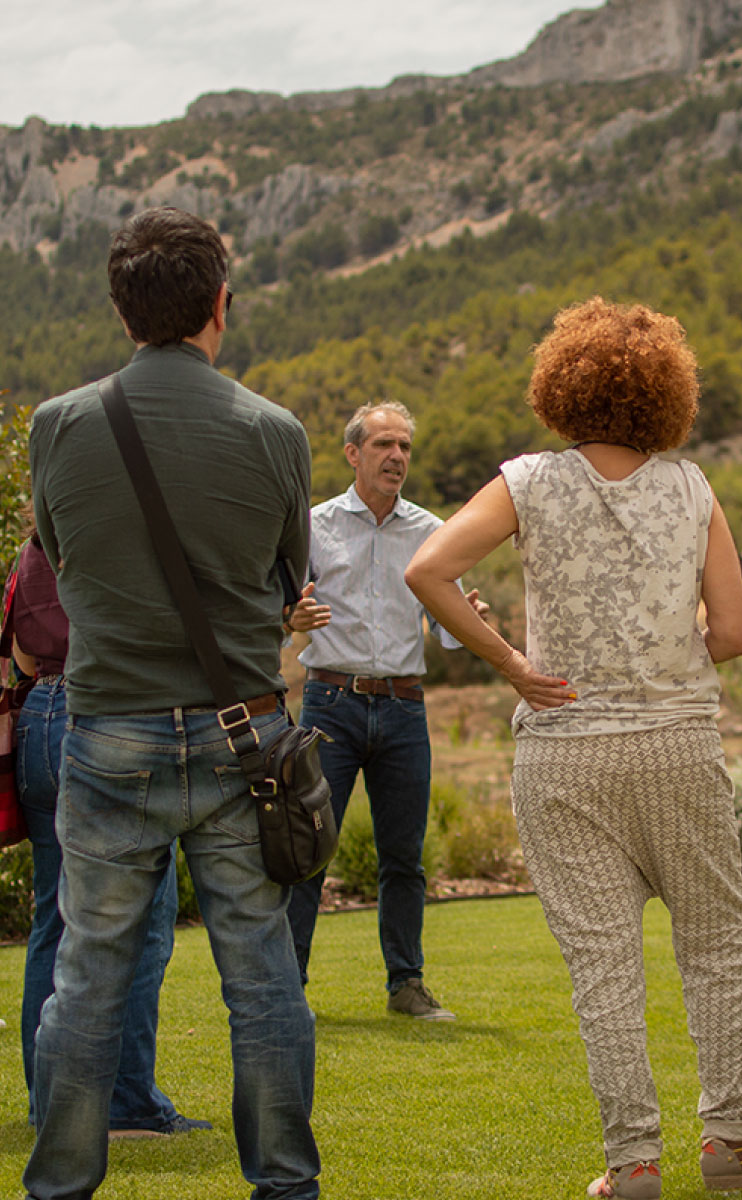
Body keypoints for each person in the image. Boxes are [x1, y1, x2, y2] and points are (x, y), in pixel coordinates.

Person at [405, 296, 742, 1199]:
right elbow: (738, 632)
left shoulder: (526, 482)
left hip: (563, 753)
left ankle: (633, 1163)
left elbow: (428, 570)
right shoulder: (692, 488)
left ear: (563, 384)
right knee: (714, 948)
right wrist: (668, 649)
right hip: (676, 744)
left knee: (603, 967)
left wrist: (514, 664)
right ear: (667, 394)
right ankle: (733, 1143)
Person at [24, 205, 320, 1200]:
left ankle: (58, 1187)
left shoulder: (57, 426)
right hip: (248, 735)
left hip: (109, 731)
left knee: (86, 983)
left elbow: (60, 560)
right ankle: (285, 1184)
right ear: (221, 307)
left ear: (120, 311)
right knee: (264, 983)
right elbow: (288, 574)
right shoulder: (277, 432)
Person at [285, 400, 484, 1021]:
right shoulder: (313, 527)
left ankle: (407, 985)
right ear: (353, 454)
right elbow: (281, 610)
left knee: (405, 854)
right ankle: (288, 986)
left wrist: (467, 620)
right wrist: (289, 618)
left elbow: (448, 637)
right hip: (329, 704)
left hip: (403, 708)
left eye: (403, 447)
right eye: (383, 446)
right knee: (307, 847)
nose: (396, 457)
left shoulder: (432, 533)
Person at [10, 522, 210, 1138]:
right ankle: (125, 1102)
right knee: (146, 917)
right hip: (104, 714)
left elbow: (20, 653)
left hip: (39, 717)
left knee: (54, 920)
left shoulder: (34, 547)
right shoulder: (122, 537)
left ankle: (51, 1100)